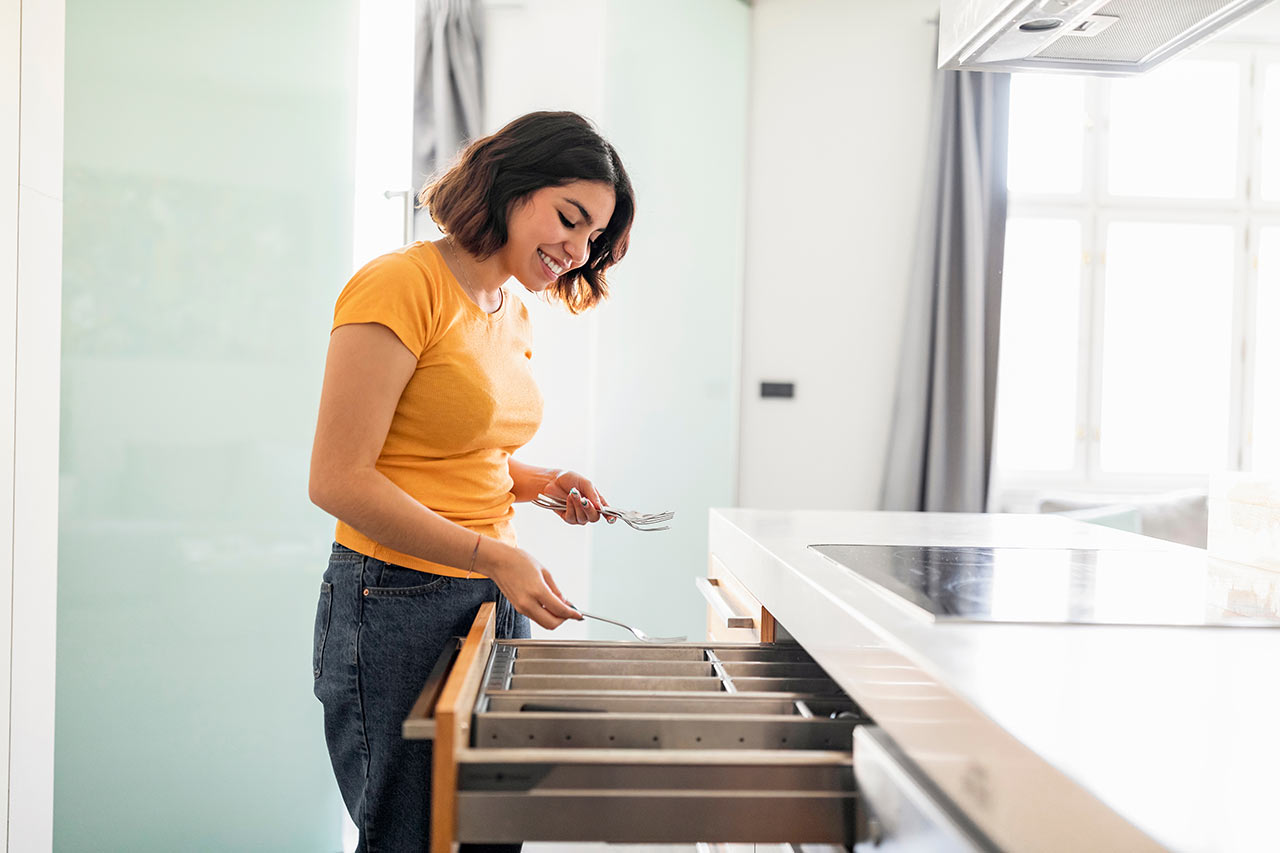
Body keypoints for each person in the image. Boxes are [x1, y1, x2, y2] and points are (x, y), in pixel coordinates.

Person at [308, 111, 635, 852]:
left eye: (594, 238)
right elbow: (338, 478)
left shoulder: (508, 309)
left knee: (488, 833)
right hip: (392, 600)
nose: (578, 250)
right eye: (569, 218)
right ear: (510, 187)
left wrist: (538, 480)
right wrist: (490, 555)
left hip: (485, 599)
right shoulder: (400, 285)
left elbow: (454, 449)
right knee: (412, 837)